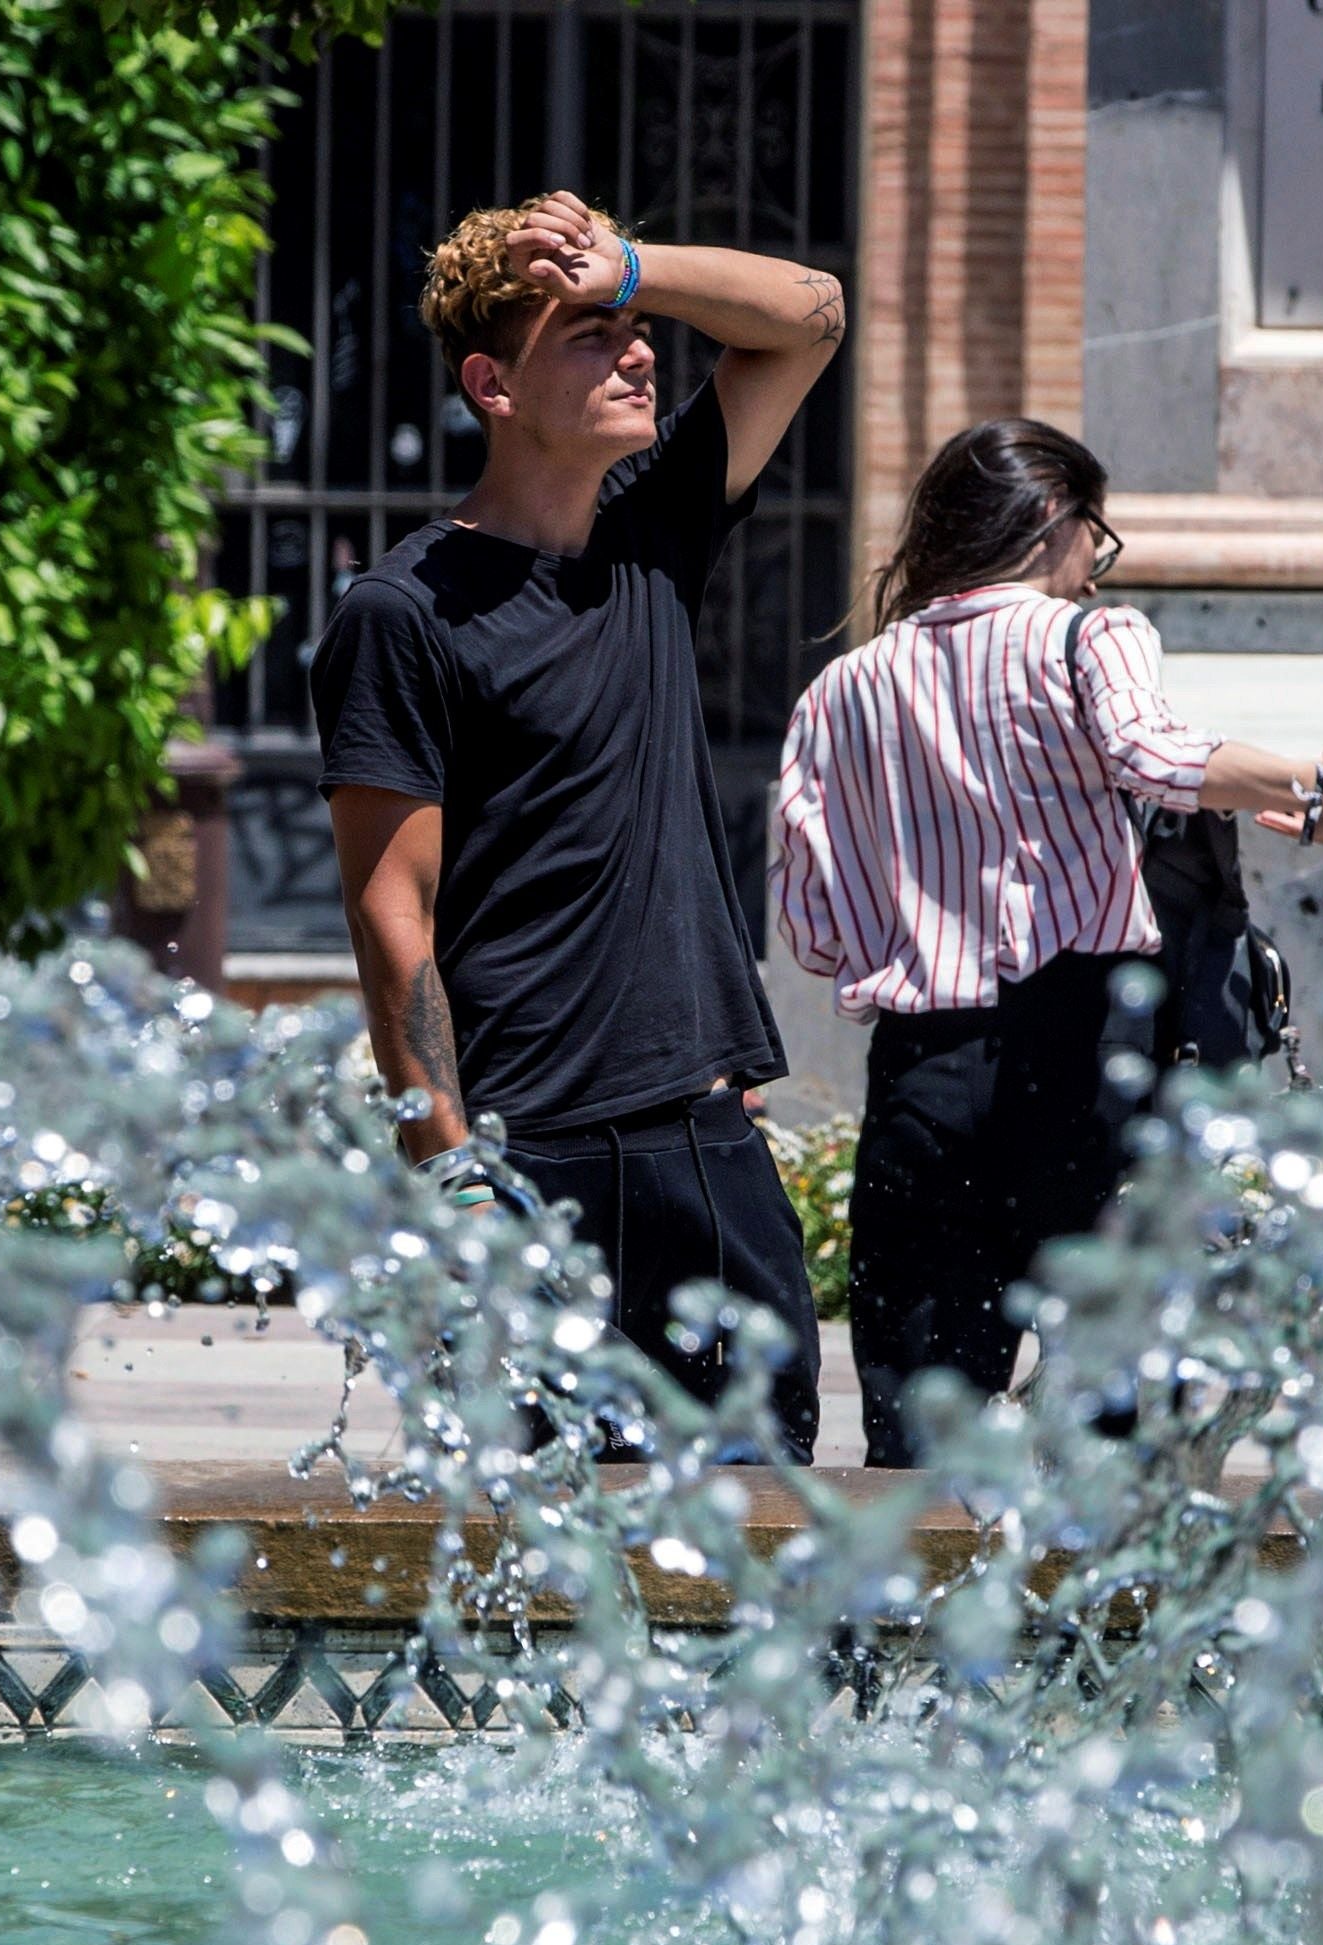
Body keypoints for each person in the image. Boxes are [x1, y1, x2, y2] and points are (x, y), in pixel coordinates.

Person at [316, 193, 845, 1461]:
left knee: (764, 1553)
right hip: (528, 1157)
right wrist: (454, 1184)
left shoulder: (652, 540)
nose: (639, 349)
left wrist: (637, 268)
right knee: (538, 1587)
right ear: (491, 383)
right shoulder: (404, 615)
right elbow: (393, 919)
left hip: (707, 1142)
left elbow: (810, 318)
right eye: (591, 334)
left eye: (635, 325)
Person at [770, 419, 1323, 1467]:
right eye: (1097, 533)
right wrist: (1313, 789)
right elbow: (1153, 755)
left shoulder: (836, 694)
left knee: (918, 1443)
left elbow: (815, 929)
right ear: (1054, 516)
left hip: (918, 1076)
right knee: (1115, 1431)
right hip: (1085, 1062)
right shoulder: (1086, 637)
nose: (1097, 562)